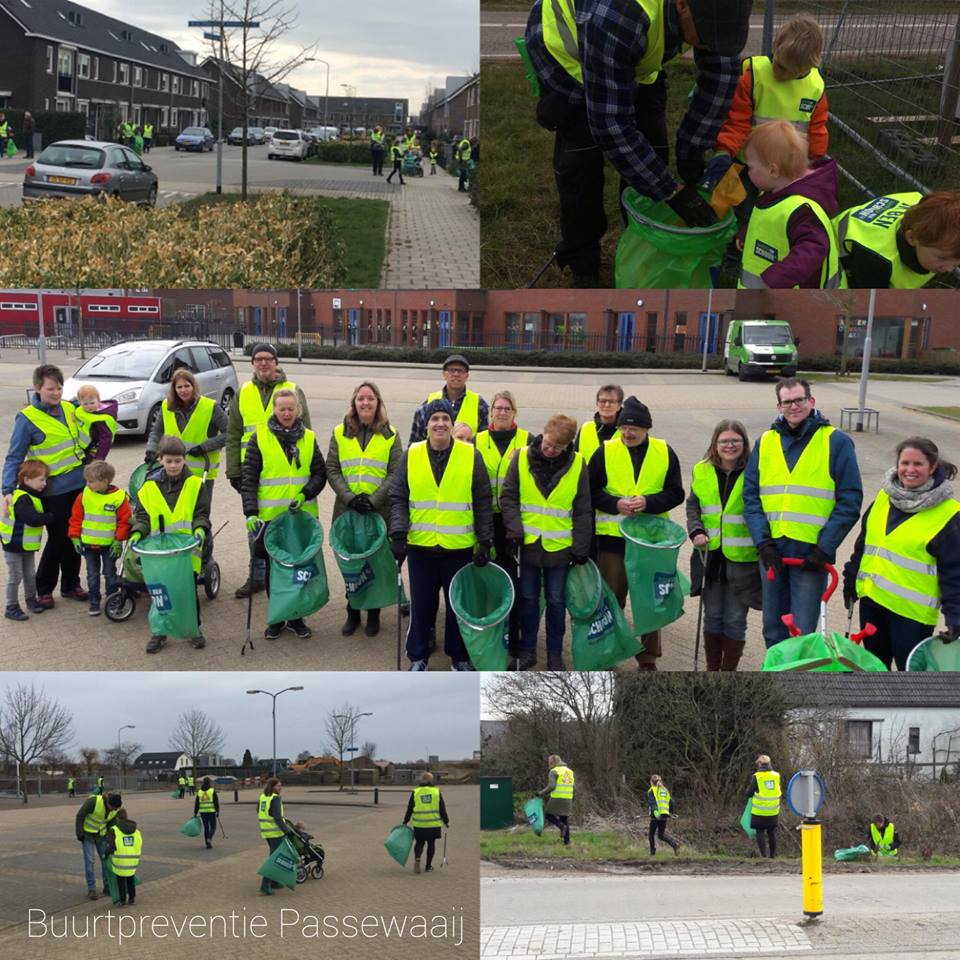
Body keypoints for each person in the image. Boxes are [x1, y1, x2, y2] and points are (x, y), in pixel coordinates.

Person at [523, 0, 752, 287]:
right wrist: (670, 190)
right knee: (581, 164)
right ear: (682, 5)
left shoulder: (715, 16)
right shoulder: (620, 13)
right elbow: (611, 125)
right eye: (706, 36)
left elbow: (721, 75)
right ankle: (583, 262)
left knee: (652, 148)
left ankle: (642, 239)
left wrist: (691, 153)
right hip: (568, 53)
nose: (711, 45)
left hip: (628, 47)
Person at [743, 378, 863, 648]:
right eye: (787, 401)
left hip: (810, 554)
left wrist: (825, 548)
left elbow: (850, 499)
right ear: (779, 406)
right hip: (772, 551)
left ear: (812, 401)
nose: (794, 406)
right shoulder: (765, 442)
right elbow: (750, 496)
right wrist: (762, 543)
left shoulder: (836, 442)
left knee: (803, 632)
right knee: (773, 628)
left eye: (799, 400)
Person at [389, 398, 494, 671]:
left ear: (452, 423)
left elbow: (482, 499)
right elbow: (398, 495)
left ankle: (458, 657)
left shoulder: (471, 455)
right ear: (426, 425)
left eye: (445, 419)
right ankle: (418, 656)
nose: (440, 423)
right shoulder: (411, 454)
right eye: (434, 419)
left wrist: (484, 540)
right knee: (422, 607)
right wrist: (398, 534)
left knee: (457, 607)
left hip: (457, 547)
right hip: (420, 547)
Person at [843, 437, 960, 671]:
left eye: (918, 464)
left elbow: (954, 574)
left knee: (909, 679)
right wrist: (850, 579)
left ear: (933, 467)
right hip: (872, 603)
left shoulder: (949, 514)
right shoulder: (883, 499)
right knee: (875, 669)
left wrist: (955, 619)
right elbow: (864, 546)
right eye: (904, 463)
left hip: (911, 616)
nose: (909, 470)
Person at [590, 397, 685, 669]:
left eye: (635, 428)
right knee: (611, 602)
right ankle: (608, 653)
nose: (628, 433)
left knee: (650, 603)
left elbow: (676, 492)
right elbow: (590, 490)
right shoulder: (605, 452)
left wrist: (649, 502)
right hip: (612, 540)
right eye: (623, 428)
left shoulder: (665, 452)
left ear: (647, 428)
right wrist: (616, 504)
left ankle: (648, 659)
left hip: (650, 542)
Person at [707, 16, 827, 223]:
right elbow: (737, 120)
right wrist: (724, 151)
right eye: (779, 64)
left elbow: (817, 128)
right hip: (745, 164)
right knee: (732, 212)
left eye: (790, 71)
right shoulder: (753, 75)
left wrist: (816, 161)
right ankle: (731, 249)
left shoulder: (815, 88)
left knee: (773, 217)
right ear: (774, 46)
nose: (781, 74)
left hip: (784, 173)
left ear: (807, 66)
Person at [501, 413, 592, 670]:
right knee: (528, 599)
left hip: (560, 548)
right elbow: (508, 497)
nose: (551, 451)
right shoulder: (520, 458)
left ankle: (555, 654)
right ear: (543, 434)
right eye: (548, 444)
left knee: (556, 601)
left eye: (559, 448)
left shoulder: (577, 464)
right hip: (528, 544)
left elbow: (583, 509)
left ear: (568, 445)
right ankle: (528, 649)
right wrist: (514, 529)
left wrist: (580, 547)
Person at [225, 343, 310, 599]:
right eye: (258, 359)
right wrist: (233, 471)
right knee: (256, 528)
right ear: (252, 364)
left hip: (285, 474)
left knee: (287, 531)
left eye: (268, 359)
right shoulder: (244, 392)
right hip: (252, 473)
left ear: (276, 362)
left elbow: (307, 433)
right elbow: (233, 434)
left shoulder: (292, 390)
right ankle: (257, 576)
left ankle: (286, 577)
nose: (263, 363)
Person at [242, 389, 327, 641]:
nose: (287, 413)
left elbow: (319, 474)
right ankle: (278, 617)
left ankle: (297, 617)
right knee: (274, 570)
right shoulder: (260, 438)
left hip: (301, 519)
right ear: (275, 410)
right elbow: (249, 479)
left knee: (299, 569)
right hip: (271, 519)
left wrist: (305, 494)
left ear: (297, 410)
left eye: (291, 408)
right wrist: (250, 512)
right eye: (282, 409)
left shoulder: (309, 438)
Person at [3, 364, 88, 607]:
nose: (56, 393)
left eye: (60, 388)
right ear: (38, 388)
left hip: (79, 485)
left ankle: (71, 584)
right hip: (53, 491)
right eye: (51, 389)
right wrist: (7, 490)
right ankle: (44, 587)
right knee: (58, 539)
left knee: (75, 535)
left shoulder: (70, 408)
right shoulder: (27, 418)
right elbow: (14, 457)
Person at [326, 381, 402, 637]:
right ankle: (352, 611)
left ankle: (374, 614)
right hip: (348, 512)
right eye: (361, 399)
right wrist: (350, 498)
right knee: (352, 565)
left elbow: (396, 472)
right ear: (354, 403)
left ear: (378, 403)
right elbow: (332, 469)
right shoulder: (339, 432)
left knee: (376, 564)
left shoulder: (391, 434)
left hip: (378, 511)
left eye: (370, 399)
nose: (366, 403)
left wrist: (374, 500)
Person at [686, 420, 762, 671]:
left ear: (744, 444)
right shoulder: (702, 469)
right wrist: (696, 529)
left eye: (735, 441)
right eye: (724, 441)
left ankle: (728, 672)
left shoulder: (756, 471)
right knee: (713, 617)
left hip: (743, 559)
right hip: (711, 558)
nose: (729, 446)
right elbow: (693, 505)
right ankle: (711, 669)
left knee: (735, 619)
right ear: (715, 444)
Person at [128, 435, 212, 654]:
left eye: (177, 461)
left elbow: (201, 513)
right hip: (159, 554)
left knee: (187, 593)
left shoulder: (195, 485)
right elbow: (143, 517)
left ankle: (193, 630)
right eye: (169, 461)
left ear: (184, 460)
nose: (173, 465)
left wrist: (200, 529)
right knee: (160, 594)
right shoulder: (149, 488)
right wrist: (137, 532)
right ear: (161, 460)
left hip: (187, 552)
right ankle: (160, 632)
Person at [738, 120, 842, 289]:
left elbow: (814, 248)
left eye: (751, 167)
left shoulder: (801, 210)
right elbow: (769, 224)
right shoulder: (774, 193)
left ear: (773, 171)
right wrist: (748, 234)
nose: (748, 172)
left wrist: (779, 275)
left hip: (792, 301)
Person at [475, 391, 529, 654]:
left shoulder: (527, 441)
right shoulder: (478, 441)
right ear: (491, 412)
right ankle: (490, 632)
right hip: (485, 520)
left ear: (514, 412)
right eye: (498, 408)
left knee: (513, 581)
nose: (503, 412)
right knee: (487, 579)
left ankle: (514, 635)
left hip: (513, 523)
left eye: (508, 408)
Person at [835, 191, 960, 289]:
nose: (949, 269)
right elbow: (866, 307)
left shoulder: (926, 218)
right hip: (830, 261)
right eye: (942, 258)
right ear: (911, 238)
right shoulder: (877, 259)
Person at [145, 368, 227, 495]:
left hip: (201, 472)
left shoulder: (210, 407)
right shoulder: (166, 407)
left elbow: (230, 433)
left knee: (199, 511)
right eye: (179, 387)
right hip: (172, 470)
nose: (183, 390)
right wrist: (151, 449)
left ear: (194, 386)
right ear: (174, 389)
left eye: (187, 386)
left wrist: (204, 447)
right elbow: (156, 432)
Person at [68, 460, 132, 617]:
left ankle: (112, 600)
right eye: (87, 481)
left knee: (110, 574)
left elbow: (125, 521)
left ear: (105, 481)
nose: (88, 484)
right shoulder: (84, 496)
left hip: (109, 546)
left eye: (91, 481)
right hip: (88, 545)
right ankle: (94, 602)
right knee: (92, 574)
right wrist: (75, 537)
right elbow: (76, 518)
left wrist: (119, 540)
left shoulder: (119, 498)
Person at [0, 460, 53, 620]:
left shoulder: (32, 495)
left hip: (25, 545)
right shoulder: (23, 498)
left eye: (45, 479)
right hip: (13, 545)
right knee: (15, 576)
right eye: (41, 480)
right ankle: (11, 606)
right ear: (27, 480)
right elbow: (32, 519)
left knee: (29, 574)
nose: (45, 483)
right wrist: (50, 517)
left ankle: (31, 599)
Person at [409, 354, 489, 445]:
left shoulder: (479, 405)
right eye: (452, 370)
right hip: (433, 458)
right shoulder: (428, 404)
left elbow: (485, 443)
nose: (456, 374)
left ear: (467, 376)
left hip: (467, 458)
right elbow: (415, 444)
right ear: (444, 374)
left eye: (460, 371)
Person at [75, 790, 122, 900]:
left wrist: (111, 841)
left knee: (106, 861)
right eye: (113, 808)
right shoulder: (93, 801)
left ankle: (107, 887)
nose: (114, 810)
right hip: (87, 835)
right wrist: (79, 833)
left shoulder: (115, 809)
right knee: (90, 862)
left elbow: (112, 825)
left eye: (116, 809)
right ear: (108, 803)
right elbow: (80, 815)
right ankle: (91, 889)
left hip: (101, 836)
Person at [402, 771, 450, 874]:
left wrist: (405, 821)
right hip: (433, 824)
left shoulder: (416, 792)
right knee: (431, 843)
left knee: (419, 842)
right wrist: (446, 821)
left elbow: (409, 808)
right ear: (431, 780)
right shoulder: (436, 792)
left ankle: (417, 858)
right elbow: (442, 809)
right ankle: (428, 866)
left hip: (419, 824)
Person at [257, 778, 294, 895]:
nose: (280, 788)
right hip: (276, 833)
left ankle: (273, 882)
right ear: (272, 787)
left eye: (280, 785)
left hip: (267, 832)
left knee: (274, 857)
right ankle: (265, 885)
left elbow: (258, 810)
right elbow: (278, 818)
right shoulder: (275, 798)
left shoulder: (263, 797)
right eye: (278, 786)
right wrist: (287, 831)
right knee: (274, 859)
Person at [574, 384, 623, 464]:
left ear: (619, 405)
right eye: (603, 401)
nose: (606, 405)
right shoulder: (586, 428)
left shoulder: (626, 431)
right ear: (597, 403)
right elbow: (574, 458)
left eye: (611, 401)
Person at [105, 806, 142, 906]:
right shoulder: (136, 830)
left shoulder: (114, 830)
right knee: (130, 879)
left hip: (119, 861)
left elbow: (112, 846)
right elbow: (139, 844)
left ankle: (122, 900)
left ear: (117, 818)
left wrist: (106, 853)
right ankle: (132, 898)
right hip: (133, 861)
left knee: (121, 881)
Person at [746, 754, 780, 859]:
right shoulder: (776, 775)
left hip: (759, 810)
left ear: (760, 764)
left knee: (760, 831)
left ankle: (764, 855)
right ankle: (772, 856)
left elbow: (749, 793)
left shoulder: (757, 776)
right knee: (771, 832)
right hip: (773, 810)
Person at [74, 385, 118, 463]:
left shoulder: (101, 419)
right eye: (85, 404)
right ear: (80, 403)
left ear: (98, 400)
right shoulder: (80, 410)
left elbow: (106, 440)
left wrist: (99, 458)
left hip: (94, 452)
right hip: (82, 448)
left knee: (90, 471)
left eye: (92, 403)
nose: (89, 406)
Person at [538, 754, 574, 845]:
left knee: (548, 815)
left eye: (549, 762)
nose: (548, 764)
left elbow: (552, 786)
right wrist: (573, 799)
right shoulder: (570, 771)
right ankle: (567, 842)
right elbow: (574, 787)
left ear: (553, 762)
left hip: (557, 798)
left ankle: (561, 827)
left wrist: (540, 793)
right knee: (564, 818)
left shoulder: (554, 771)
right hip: (568, 798)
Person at [647, 774, 680, 856]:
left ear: (651, 782)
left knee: (651, 834)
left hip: (656, 816)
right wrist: (671, 813)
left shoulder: (652, 790)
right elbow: (672, 802)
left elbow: (652, 803)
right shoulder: (664, 790)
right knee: (661, 835)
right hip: (664, 815)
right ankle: (674, 845)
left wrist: (655, 813)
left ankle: (652, 853)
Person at [195, 777, 220, 849]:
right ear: (209, 782)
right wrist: (218, 811)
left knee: (206, 828)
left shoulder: (200, 791)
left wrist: (195, 812)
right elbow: (216, 802)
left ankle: (207, 844)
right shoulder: (212, 791)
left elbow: (197, 803)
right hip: (211, 812)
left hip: (203, 812)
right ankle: (209, 838)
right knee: (213, 827)